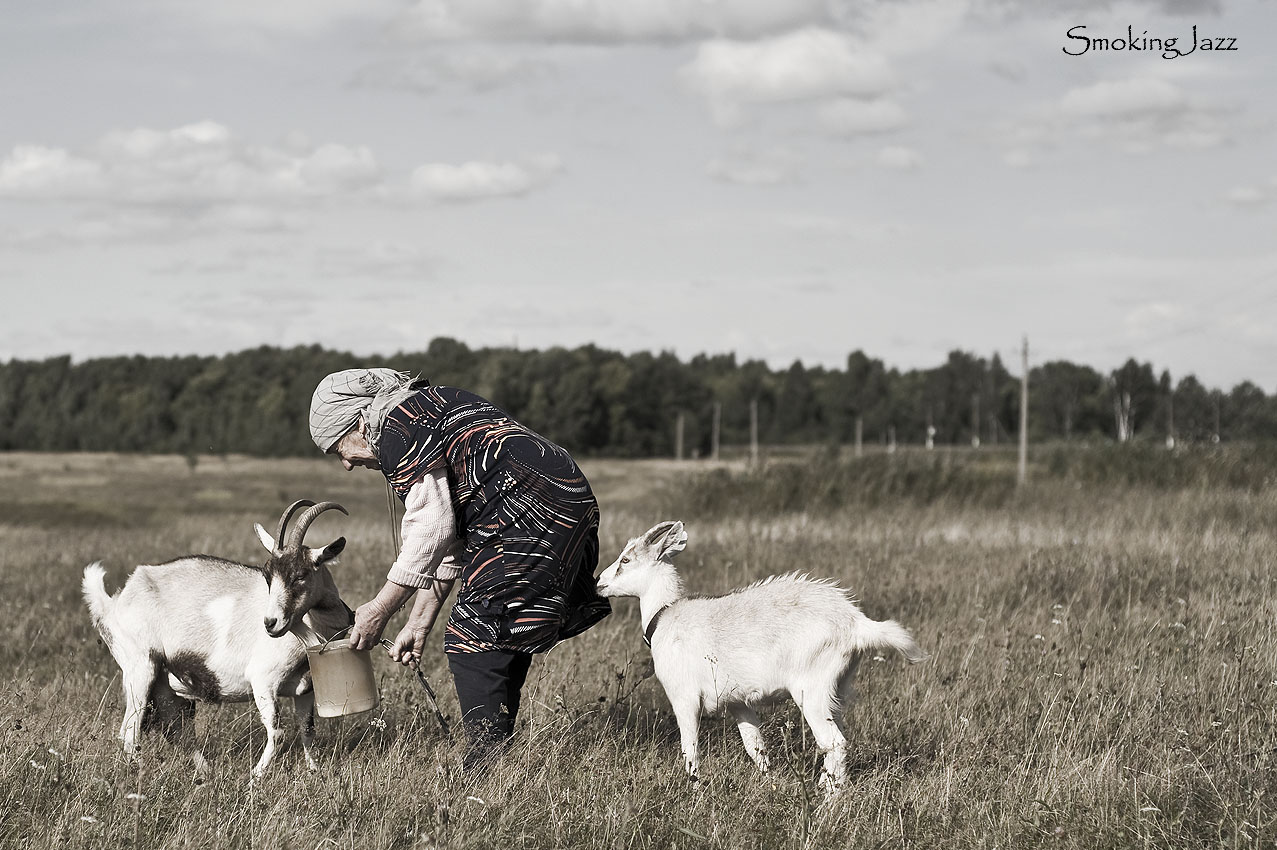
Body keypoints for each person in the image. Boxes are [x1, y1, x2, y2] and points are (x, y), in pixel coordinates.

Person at [308, 369, 611, 766]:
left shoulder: (396, 429)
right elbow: (450, 541)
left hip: (531, 510)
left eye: (338, 449)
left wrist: (379, 608)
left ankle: (483, 764)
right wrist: (417, 624)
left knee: (473, 636)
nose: (346, 464)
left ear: (358, 421)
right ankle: (496, 751)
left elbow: (432, 528)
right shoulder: (424, 409)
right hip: (564, 500)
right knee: (499, 627)